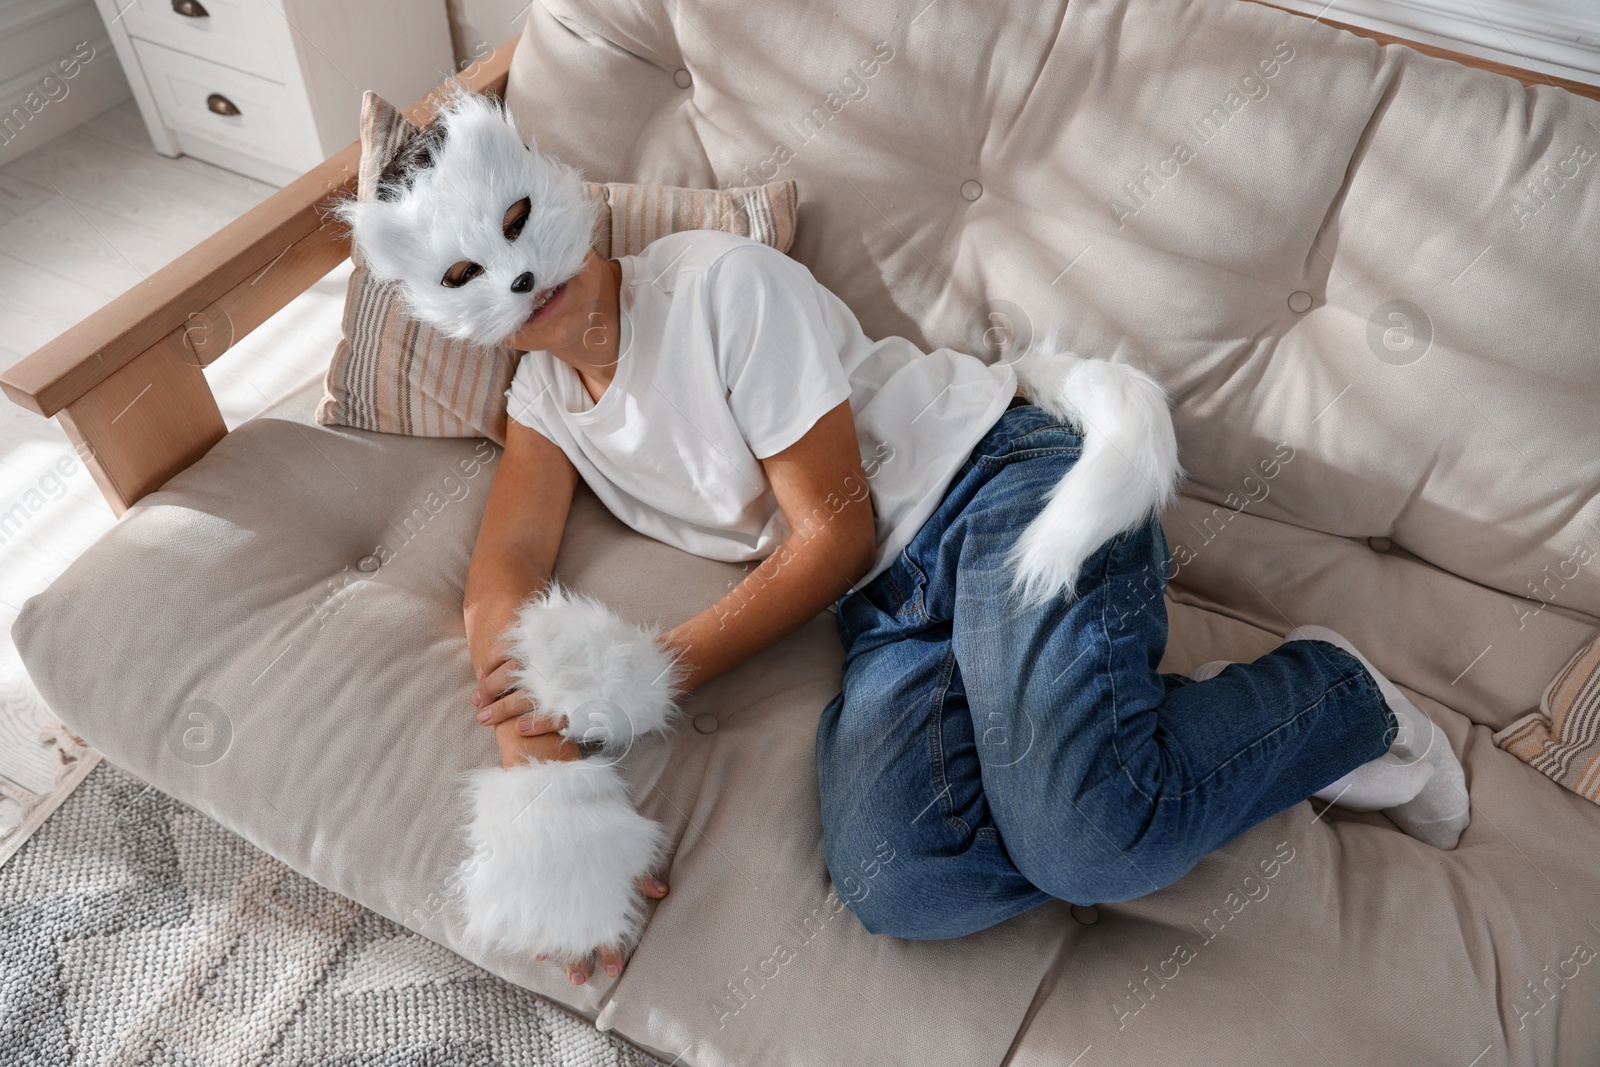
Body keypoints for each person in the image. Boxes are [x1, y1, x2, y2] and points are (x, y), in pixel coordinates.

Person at [343, 91, 1469, 987]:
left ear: (549, 190)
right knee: (897, 879)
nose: (516, 276)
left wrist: (652, 675)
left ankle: (1336, 697)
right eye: (458, 274)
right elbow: (504, 572)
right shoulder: (543, 396)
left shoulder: (720, 285)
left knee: (1091, 844)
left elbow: (834, 530)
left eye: (511, 227)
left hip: (996, 489)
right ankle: (1104, 761)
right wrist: (532, 763)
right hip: (889, 609)